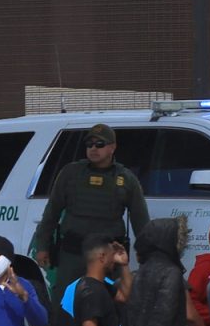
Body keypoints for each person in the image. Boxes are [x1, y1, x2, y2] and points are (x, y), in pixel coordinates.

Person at [29, 124, 150, 293]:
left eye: (100, 144)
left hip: (106, 257)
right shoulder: (70, 174)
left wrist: (146, 252)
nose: (93, 148)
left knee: (107, 304)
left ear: (112, 147)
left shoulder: (126, 179)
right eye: (89, 145)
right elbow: (52, 212)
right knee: (66, 304)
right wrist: (42, 246)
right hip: (72, 254)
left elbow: (140, 220)